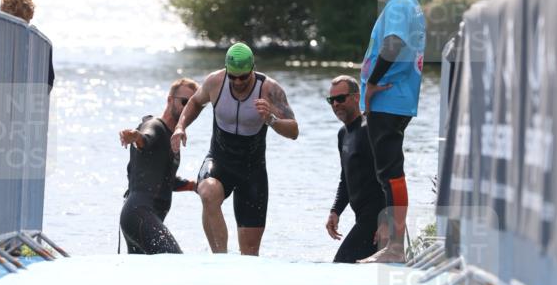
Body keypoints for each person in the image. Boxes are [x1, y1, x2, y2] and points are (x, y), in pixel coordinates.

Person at [170, 43, 298, 256]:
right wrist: (180, 127)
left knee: (250, 253)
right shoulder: (215, 82)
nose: (238, 82)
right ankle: (220, 259)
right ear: (227, 71)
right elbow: (194, 103)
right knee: (208, 191)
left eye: (243, 77)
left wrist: (271, 119)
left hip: (253, 171)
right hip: (220, 161)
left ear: (253, 70)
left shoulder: (269, 89)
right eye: (233, 77)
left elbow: (294, 131)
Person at [357, 0, 426, 264]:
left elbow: (393, 43)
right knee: (390, 172)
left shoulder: (398, 6)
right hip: (398, 99)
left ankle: (395, 247)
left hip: (388, 99)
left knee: (390, 173)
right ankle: (393, 245)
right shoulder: (411, 3)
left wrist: (371, 83)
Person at [119, 78, 199, 254]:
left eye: (193, 105)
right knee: (174, 261)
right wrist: (135, 137)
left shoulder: (172, 137)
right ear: (170, 100)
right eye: (185, 102)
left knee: (142, 276)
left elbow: (166, 180)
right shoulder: (155, 125)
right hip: (139, 213)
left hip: (140, 217)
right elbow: (145, 139)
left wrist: (194, 186)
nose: (188, 109)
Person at [325, 75, 386, 263]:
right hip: (362, 218)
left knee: (341, 263)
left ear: (356, 97)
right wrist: (335, 211)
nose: (335, 104)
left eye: (340, 98)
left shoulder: (370, 130)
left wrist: (388, 221)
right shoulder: (343, 134)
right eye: (331, 100)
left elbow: (390, 177)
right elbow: (346, 178)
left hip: (376, 220)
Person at [0, 0, 55, 91]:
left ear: (3, 10)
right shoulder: (43, 43)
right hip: (28, 101)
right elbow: (49, 84)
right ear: (30, 12)